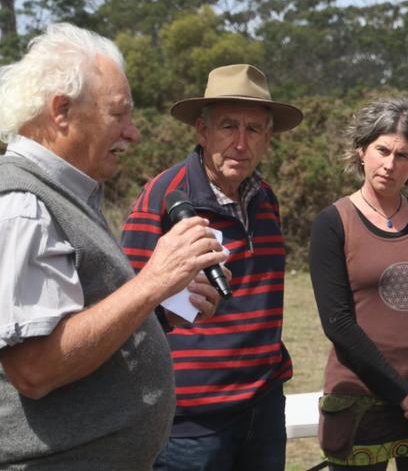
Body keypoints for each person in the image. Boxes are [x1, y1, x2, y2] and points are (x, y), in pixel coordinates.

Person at [0, 23, 227, 469]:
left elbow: (81, 320)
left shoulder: (66, 191)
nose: (133, 132)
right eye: (119, 114)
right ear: (61, 110)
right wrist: (152, 281)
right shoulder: (24, 205)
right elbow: (35, 369)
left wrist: (163, 301)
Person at [121, 63, 303, 470]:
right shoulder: (162, 198)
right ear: (202, 132)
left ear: (268, 138)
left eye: (254, 130)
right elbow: (124, 303)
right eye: (228, 127)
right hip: (190, 422)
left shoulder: (265, 198)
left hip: (263, 406)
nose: (241, 142)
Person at [308, 97, 408, 470]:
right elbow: (338, 324)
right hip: (361, 399)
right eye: (382, 150)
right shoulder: (333, 223)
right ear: (362, 150)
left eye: (403, 155)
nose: (389, 164)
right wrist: (404, 395)